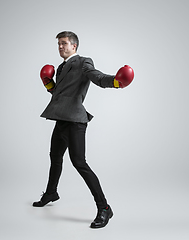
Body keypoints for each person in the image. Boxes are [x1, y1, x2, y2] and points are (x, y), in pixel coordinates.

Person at [33, 31, 133, 229]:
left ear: (74, 46)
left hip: (76, 121)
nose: (60, 47)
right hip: (61, 119)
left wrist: (116, 82)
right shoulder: (61, 68)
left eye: (63, 43)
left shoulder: (83, 62)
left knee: (79, 162)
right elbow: (59, 94)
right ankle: (51, 192)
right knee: (55, 157)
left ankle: (104, 207)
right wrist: (48, 83)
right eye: (58, 44)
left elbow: (97, 77)